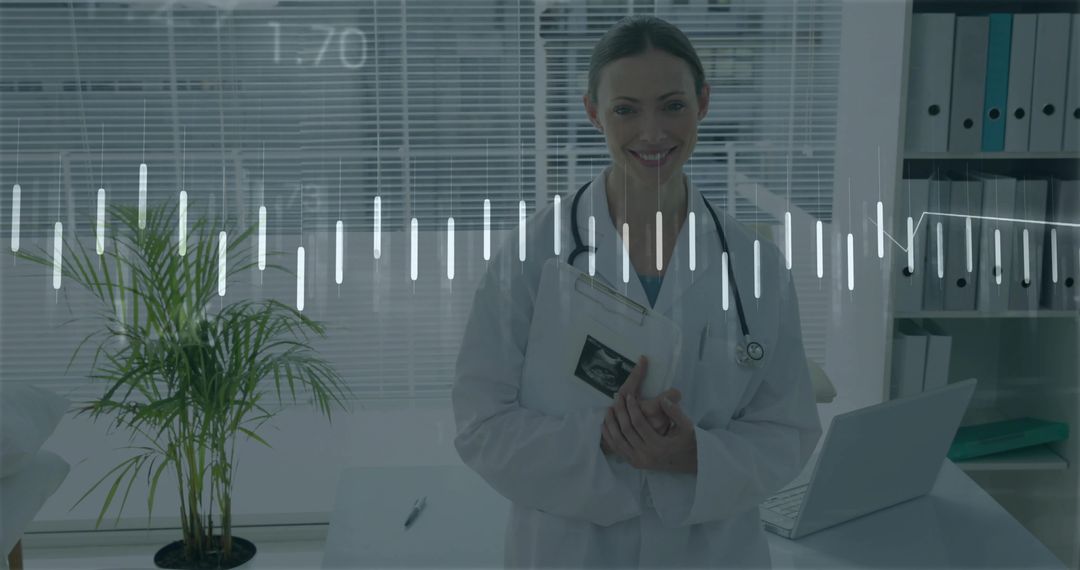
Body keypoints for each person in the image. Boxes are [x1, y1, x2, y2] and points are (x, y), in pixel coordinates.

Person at [453, 15, 822, 568]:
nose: (652, 132)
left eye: (672, 105)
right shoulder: (535, 257)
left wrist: (697, 455)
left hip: (713, 550)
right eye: (626, 109)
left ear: (703, 103)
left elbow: (787, 429)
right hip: (569, 549)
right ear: (592, 112)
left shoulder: (755, 265)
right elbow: (481, 423)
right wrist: (600, 439)